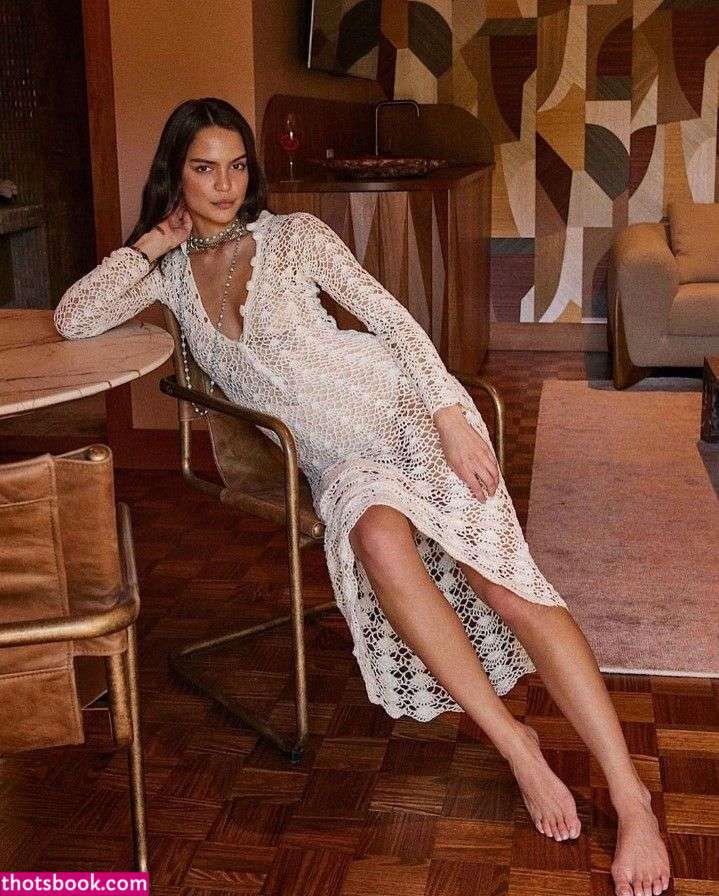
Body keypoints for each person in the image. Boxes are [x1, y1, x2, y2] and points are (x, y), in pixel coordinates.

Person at [54, 98, 669, 896]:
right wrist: (150, 243)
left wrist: (449, 416)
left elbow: (390, 319)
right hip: (336, 460)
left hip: (400, 413)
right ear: (174, 173)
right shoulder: (166, 276)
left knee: (504, 586)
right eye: (204, 168)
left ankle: (630, 796)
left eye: (237, 166)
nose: (225, 184)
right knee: (376, 538)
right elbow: (75, 319)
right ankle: (515, 745)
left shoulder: (294, 236)